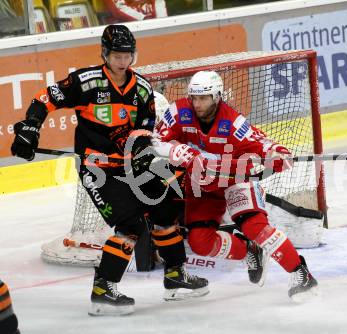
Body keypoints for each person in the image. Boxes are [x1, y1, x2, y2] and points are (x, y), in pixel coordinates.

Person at [10, 24, 208, 316]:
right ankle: (104, 288)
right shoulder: (86, 81)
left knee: (165, 209)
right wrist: (30, 127)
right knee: (131, 226)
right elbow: (45, 98)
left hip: (131, 165)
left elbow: (145, 127)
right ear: (105, 53)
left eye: (127, 55)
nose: (122, 61)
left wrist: (139, 147)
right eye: (117, 55)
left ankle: (175, 275)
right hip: (98, 169)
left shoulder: (141, 88)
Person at [153, 70, 318, 300]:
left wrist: (276, 153)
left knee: (255, 227)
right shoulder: (178, 111)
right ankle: (249, 250)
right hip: (203, 187)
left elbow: (261, 142)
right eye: (194, 98)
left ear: (217, 96)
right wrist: (174, 149)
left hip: (236, 179)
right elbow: (154, 140)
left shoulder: (232, 122)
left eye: (204, 98)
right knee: (200, 242)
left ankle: (301, 274)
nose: (197, 104)